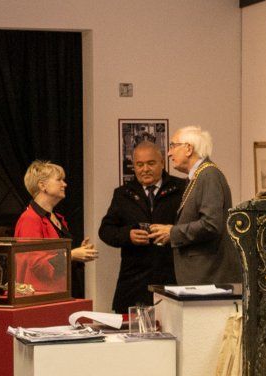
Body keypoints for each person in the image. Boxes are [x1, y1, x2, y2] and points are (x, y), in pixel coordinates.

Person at [99, 140, 186, 311]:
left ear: (162, 163)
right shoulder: (123, 194)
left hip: (173, 279)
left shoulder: (182, 189)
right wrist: (127, 235)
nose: (145, 169)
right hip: (133, 283)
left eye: (150, 163)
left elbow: (194, 227)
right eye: (139, 164)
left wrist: (172, 233)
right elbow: (105, 230)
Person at [153, 126, 243, 286]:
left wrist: (172, 232)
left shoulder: (208, 175)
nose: (169, 153)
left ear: (188, 148)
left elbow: (210, 225)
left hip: (208, 276)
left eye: (173, 146)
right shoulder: (198, 176)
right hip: (202, 275)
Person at [15, 160, 99, 296]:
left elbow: (56, 260)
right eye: (59, 180)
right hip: (41, 297)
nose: (64, 184)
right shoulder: (30, 219)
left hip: (61, 292)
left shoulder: (58, 218)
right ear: (42, 185)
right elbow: (36, 265)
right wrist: (72, 255)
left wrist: (77, 255)